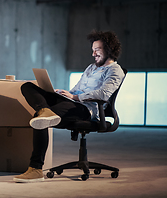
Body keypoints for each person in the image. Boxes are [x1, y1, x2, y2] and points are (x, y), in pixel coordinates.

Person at [13, 30, 125, 183]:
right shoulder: (90, 68)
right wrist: (63, 93)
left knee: (38, 119)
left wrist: (76, 97)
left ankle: (35, 169)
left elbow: (104, 94)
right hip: (73, 102)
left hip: (86, 110)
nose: (93, 54)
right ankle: (45, 110)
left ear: (109, 48)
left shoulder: (115, 70)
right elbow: (76, 89)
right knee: (27, 86)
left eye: (97, 50)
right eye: (92, 50)